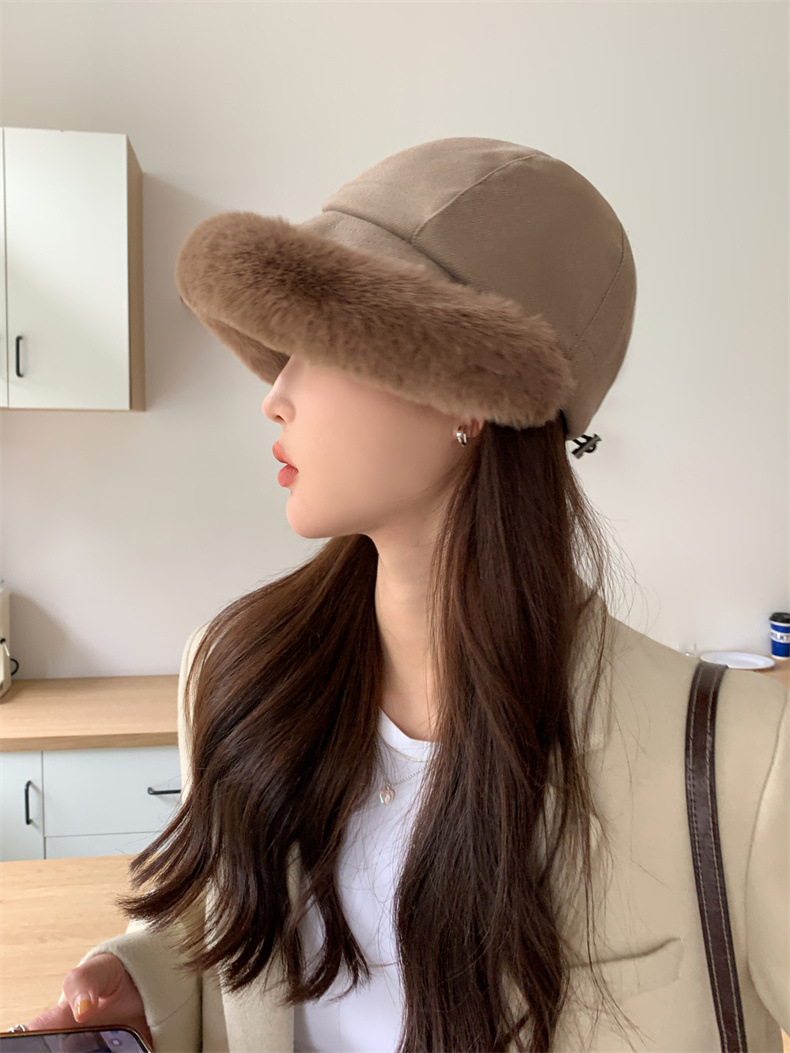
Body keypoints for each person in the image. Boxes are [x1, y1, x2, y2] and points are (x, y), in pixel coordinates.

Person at [14, 138, 788, 1052]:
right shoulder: (237, 673)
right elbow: (235, 935)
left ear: (468, 392)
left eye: (321, 342)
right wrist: (147, 980)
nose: (275, 393)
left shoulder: (741, 757)